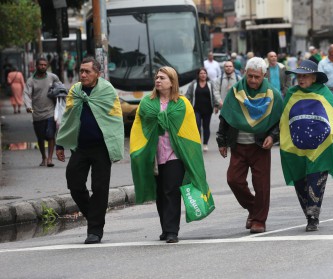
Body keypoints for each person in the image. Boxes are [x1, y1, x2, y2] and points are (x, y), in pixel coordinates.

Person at [130, 66, 212, 243]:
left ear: (172, 82)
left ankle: (172, 230)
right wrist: (138, 150)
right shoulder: (147, 103)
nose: (158, 80)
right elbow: (139, 126)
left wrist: (190, 153)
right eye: (157, 77)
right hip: (154, 155)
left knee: (171, 191)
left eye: (162, 78)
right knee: (160, 193)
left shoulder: (182, 104)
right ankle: (165, 227)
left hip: (175, 154)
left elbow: (190, 132)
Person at [55, 57, 124, 244]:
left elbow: (115, 120)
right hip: (81, 147)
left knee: (100, 189)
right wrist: (60, 143)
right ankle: (94, 215)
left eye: (87, 71)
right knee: (74, 183)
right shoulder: (75, 91)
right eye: (81, 71)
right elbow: (68, 118)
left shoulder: (107, 90)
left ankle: (94, 230)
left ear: (97, 74)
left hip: (102, 148)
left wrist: (116, 145)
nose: (83, 74)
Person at [216, 57, 283, 233]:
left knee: (261, 185)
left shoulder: (273, 94)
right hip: (238, 145)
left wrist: (272, 136)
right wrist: (222, 140)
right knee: (233, 180)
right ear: (245, 73)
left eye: (257, 77)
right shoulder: (236, 92)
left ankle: (259, 220)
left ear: (264, 75)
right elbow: (225, 116)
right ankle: (254, 208)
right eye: (250, 76)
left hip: (260, 146)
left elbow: (279, 120)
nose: (253, 80)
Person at [281, 59, 333, 232]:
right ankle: (307, 213)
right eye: (299, 76)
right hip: (297, 148)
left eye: (305, 76)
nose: (301, 79)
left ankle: (313, 217)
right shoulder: (292, 93)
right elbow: (283, 118)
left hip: (320, 148)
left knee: (316, 181)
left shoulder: (324, 93)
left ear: (314, 78)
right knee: (300, 182)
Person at [23, 57, 60, 167]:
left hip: (50, 111)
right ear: (36, 66)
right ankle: (43, 157)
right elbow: (26, 95)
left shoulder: (52, 77)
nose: (43, 66)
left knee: (50, 136)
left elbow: (60, 87)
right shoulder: (31, 81)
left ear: (47, 66)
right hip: (37, 112)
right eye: (41, 65)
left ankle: (49, 159)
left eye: (45, 65)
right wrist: (29, 107)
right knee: (40, 138)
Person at [185, 67, 222, 152]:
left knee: (206, 127)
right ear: (198, 75)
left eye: (204, 73)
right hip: (196, 109)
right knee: (197, 125)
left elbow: (214, 95)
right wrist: (185, 104)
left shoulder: (210, 84)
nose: (203, 75)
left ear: (206, 75)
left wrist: (216, 106)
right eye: (201, 73)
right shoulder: (194, 84)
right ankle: (197, 143)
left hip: (207, 109)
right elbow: (188, 95)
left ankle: (205, 144)